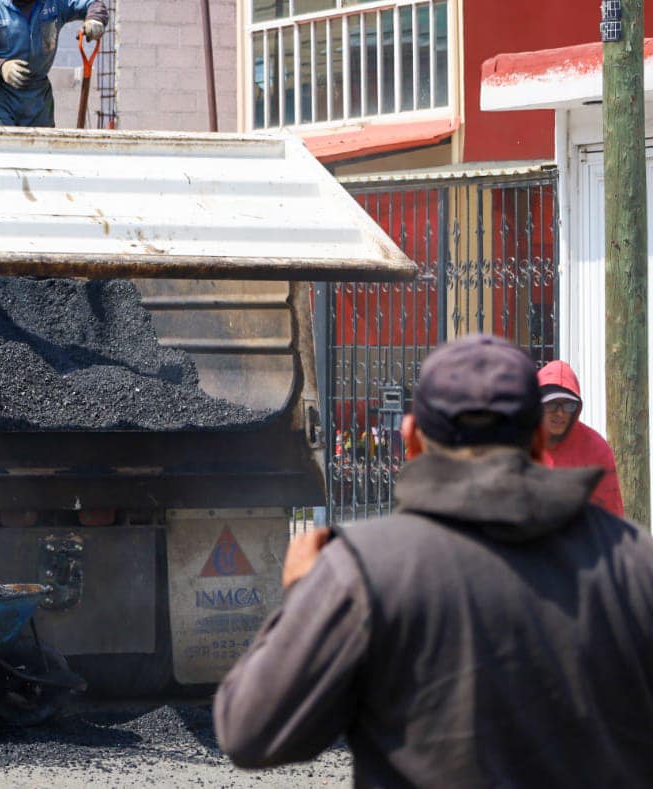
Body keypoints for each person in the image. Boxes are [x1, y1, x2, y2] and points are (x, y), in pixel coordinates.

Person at [213, 334, 653, 786]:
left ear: (412, 438)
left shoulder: (364, 571)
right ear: (540, 437)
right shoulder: (634, 562)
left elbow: (251, 732)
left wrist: (304, 599)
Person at [537, 359, 624, 517]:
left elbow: (612, 516)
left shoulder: (596, 448)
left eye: (568, 405)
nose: (560, 413)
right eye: (551, 404)